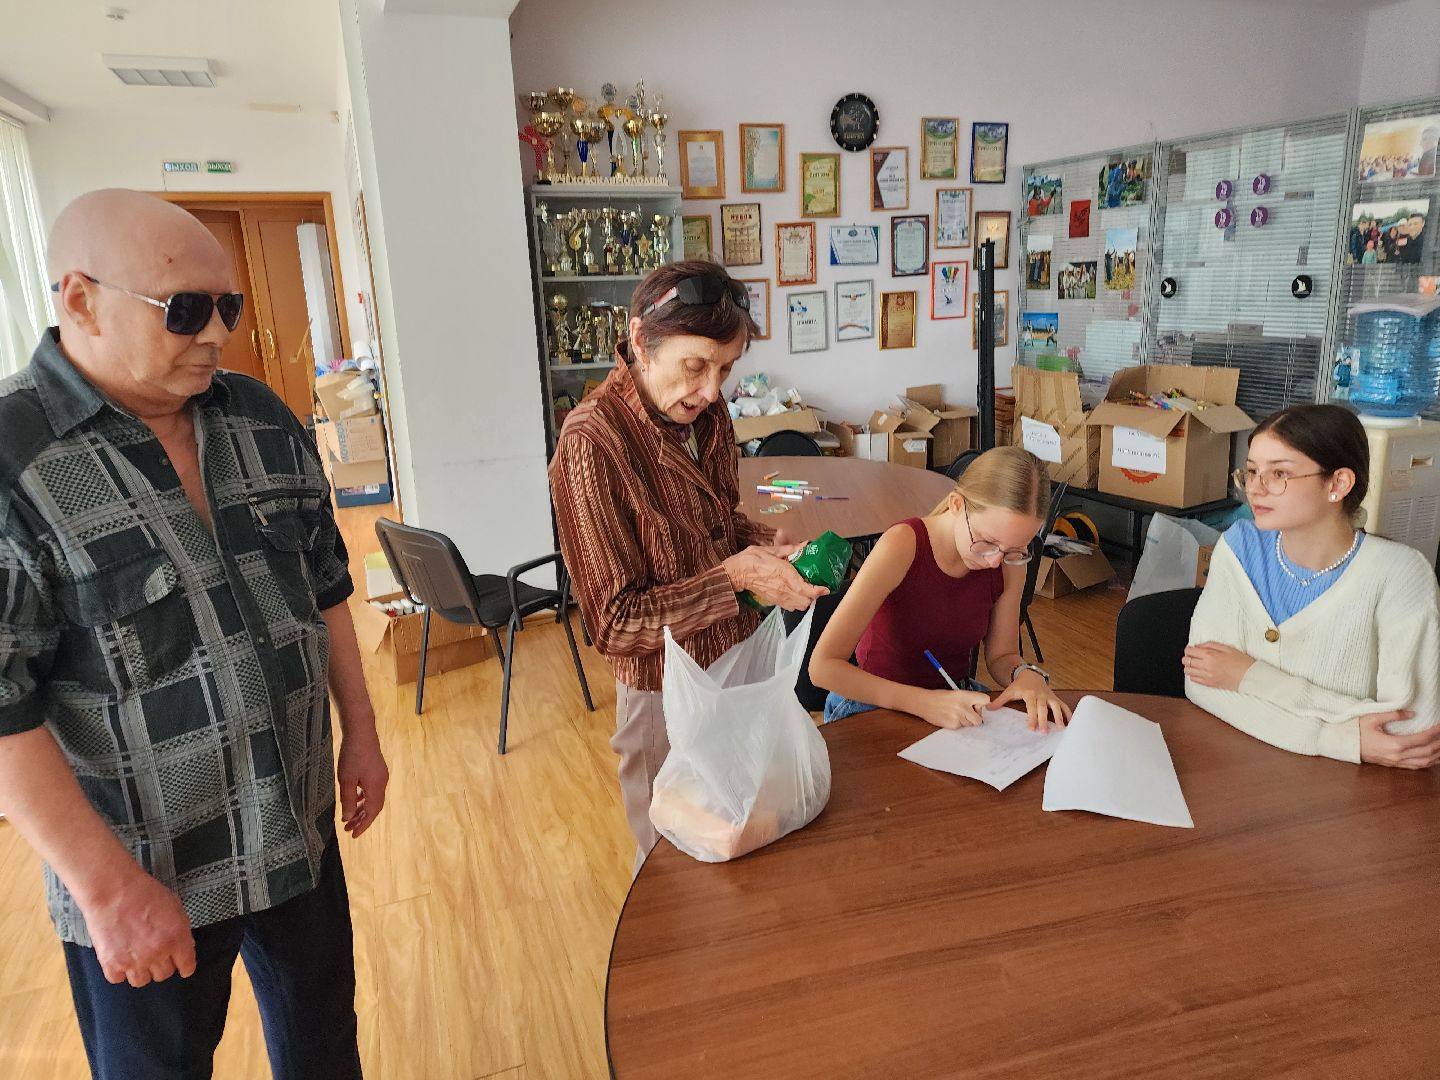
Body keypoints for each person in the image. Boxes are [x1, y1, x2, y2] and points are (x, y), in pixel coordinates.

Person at [0, 189, 388, 1078]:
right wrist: (107, 891)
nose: (216, 333)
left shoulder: (259, 419)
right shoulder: (14, 461)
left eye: (228, 307)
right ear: (78, 299)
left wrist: (361, 732)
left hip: (295, 829)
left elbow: (325, 584)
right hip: (148, 873)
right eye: (183, 310)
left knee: (326, 1047)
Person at [549, 260, 824, 868]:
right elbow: (615, 625)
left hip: (735, 660)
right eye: (695, 366)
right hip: (664, 694)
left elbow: (719, 520)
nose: (710, 389)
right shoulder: (591, 444)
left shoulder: (707, 416)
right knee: (675, 869)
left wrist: (758, 541)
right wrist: (736, 576)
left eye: (725, 369)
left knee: (744, 835)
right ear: (641, 342)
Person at [1184, 404, 1440, 768]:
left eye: (1279, 474)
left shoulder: (1399, 574)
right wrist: (1338, 737)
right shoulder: (1239, 548)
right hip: (1236, 767)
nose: (1256, 489)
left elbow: (1409, 733)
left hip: (1348, 794)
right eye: (1252, 472)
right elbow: (1201, 681)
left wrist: (1249, 677)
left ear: (1337, 483)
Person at [809, 446, 1070, 733]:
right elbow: (823, 667)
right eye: (986, 541)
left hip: (951, 698)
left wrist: (1024, 674)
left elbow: (1001, 655)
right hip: (873, 702)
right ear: (957, 505)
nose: (996, 560)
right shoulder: (902, 545)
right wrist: (924, 703)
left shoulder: (1011, 561)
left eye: (1016, 549)